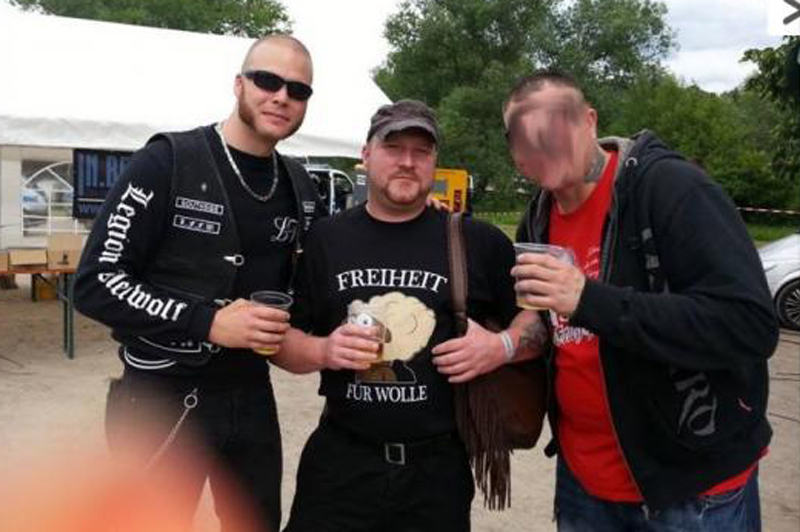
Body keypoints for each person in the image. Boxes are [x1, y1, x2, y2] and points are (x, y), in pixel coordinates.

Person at [503, 70, 779, 531]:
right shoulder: (536, 220)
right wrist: (504, 345)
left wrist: (588, 298)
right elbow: (547, 325)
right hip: (583, 480)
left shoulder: (671, 190)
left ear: (589, 120)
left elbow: (748, 324)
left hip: (689, 486)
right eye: (525, 135)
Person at [73, 34, 324, 532]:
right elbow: (96, 282)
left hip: (250, 395)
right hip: (159, 396)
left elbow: (308, 295)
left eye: (298, 90)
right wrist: (205, 321)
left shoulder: (300, 185)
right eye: (267, 81)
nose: (281, 96)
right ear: (238, 85)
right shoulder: (167, 161)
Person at [271, 99, 542, 532]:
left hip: (437, 472)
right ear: (365, 155)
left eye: (422, 151)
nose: (407, 162)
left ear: (435, 161)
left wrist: (500, 346)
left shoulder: (477, 241)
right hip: (341, 465)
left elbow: (537, 322)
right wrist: (324, 349)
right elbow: (280, 342)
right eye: (394, 147)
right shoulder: (325, 240)